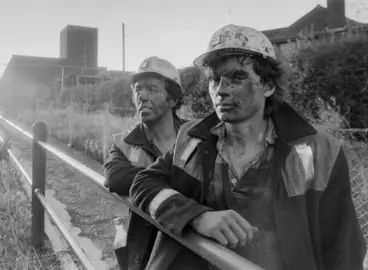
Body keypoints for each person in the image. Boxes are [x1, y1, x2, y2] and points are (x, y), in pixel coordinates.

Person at [129, 24, 366, 270]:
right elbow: (143, 184)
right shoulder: (193, 139)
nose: (221, 90)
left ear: (268, 86)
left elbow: (343, 249)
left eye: (237, 78)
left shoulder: (319, 151)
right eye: (214, 79)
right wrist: (197, 216)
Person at [103, 56, 186, 270]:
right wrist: (182, 180)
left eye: (152, 90)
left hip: (187, 244)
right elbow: (116, 178)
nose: (142, 96)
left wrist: (146, 178)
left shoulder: (196, 136)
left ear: (173, 99)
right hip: (142, 246)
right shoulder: (123, 143)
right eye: (138, 89)